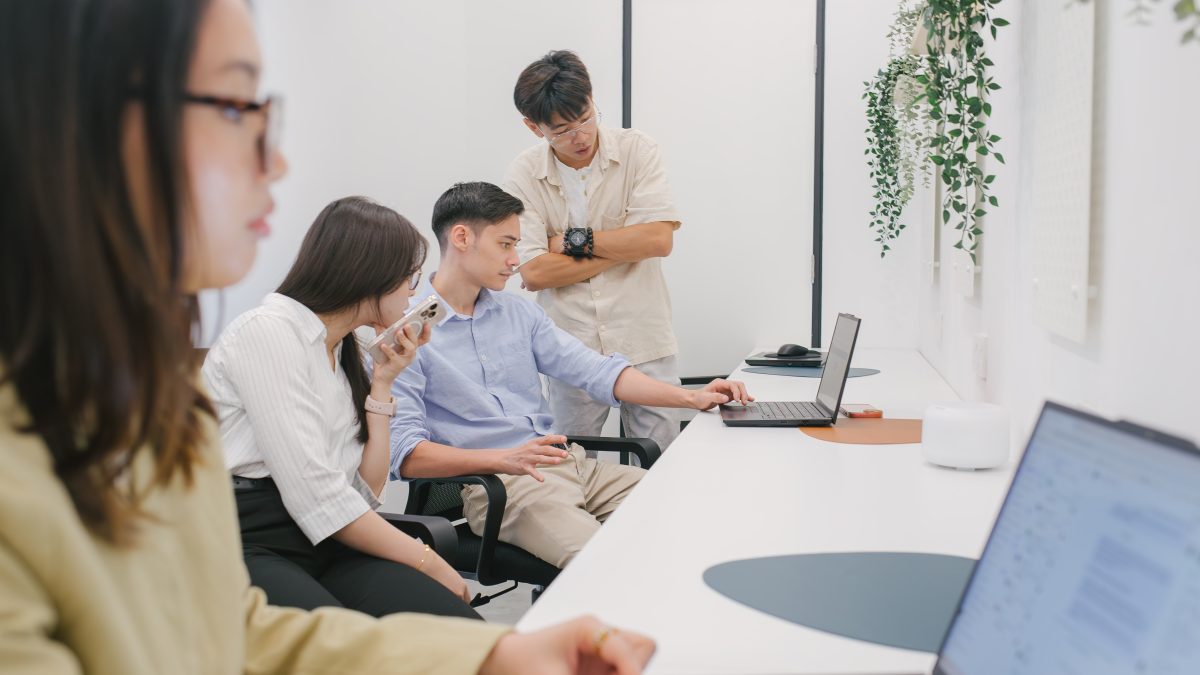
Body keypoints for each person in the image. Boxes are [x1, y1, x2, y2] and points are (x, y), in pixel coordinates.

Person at [0, 0, 654, 672]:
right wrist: (438, 560)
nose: (276, 162)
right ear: (79, 119)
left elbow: (239, 623)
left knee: (465, 616)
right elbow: (324, 506)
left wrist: (491, 654)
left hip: (334, 526)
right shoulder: (262, 337)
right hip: (301, 527)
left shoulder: (155, 395)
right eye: (235, 107)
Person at [390, 182, 752, 568]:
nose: (515, 260)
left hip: (570, 466)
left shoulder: (518, 314)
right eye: (506, 244)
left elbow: (595, 371)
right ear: (461, 237)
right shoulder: (406, 333)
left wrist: (692, 399)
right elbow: (406, 455)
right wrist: (503, 458)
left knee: (699, 515)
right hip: (503, 488)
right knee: (606, 565)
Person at [203, 196, 478, 618]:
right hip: (249, 536)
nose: (414, 292)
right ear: (371, 275)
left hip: (329, 534)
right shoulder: (269, 333)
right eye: (410, 277)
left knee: (457, 627)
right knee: (346, 647)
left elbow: (365, 493)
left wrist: (384, 383)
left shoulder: (348, 349)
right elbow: (318, 496)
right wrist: (429, 560)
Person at [504, 50, 685, 454]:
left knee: (664, 461)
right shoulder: (522, 174)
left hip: (644, 336)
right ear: (534, 128)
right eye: (563, 129)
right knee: (570, 465)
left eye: (586, 117)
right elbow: (534, 273)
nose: (580, 136)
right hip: (571, 345)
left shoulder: (638, 151)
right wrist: (626, 245)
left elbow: (658, 241)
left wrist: (570, 243)